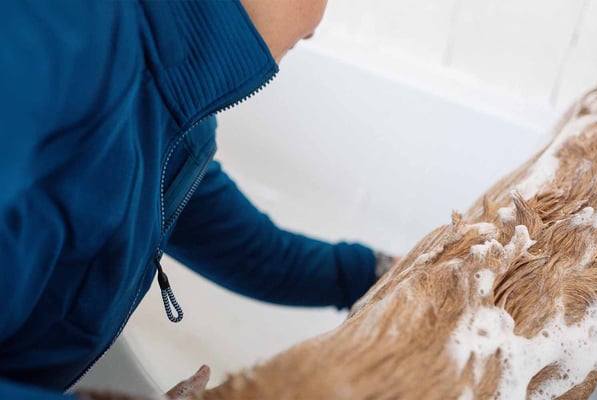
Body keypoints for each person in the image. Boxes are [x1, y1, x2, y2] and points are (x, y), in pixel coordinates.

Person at [0, 1, 394, 398]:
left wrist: (380, 273)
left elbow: (253, 252)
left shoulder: (176, 115)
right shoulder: (46, 43)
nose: (315, 29)